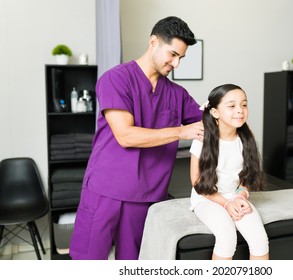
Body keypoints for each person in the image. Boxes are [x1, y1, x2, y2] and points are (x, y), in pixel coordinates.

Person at [69, 16, 204, 260]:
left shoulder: (177, 94)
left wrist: (227, 109)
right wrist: (180, 131)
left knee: (133, 263)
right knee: (88, 261)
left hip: (146, 195)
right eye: (172, 54)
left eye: (181, 58)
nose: (176, 64)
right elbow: (125, 135)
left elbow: (205, 123)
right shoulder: (116, 79)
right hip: (106, 189)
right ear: (153, 42)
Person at [190, 84, 269, 260]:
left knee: (260, 240)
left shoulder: (248, 139)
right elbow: (196, 182)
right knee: (226, 238)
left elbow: (248, 176)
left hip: (235, 196)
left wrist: (241, 195)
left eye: (244, 104)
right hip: (206, 199)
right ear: (215, 112)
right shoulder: (202, 140)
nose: (240, 110)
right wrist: (225, 204)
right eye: (232, 106)